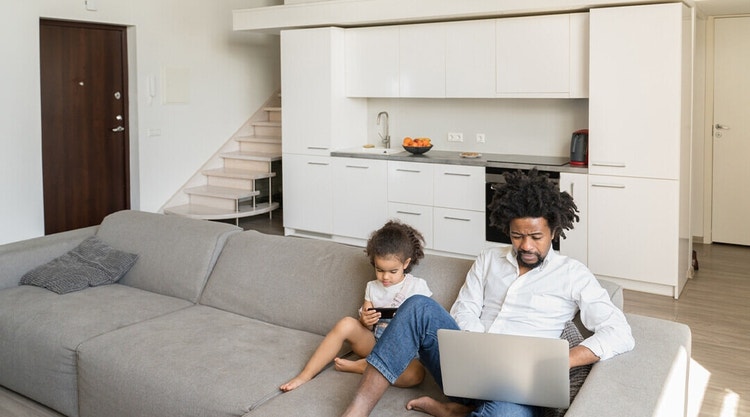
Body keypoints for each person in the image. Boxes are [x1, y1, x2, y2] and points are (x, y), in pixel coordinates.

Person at [341, 169, 635, 417]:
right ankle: (357, 410)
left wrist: (566, 360)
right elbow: (464, 309)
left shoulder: (573, 274)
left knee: (500, 414)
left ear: (553, 233)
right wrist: (480, 350)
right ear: (507, 230)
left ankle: (459, 411)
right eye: (518, 236)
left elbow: (620, 333)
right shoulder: (488, 260)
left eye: (536, 237)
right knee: (417, 306)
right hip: (467, 367)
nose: (527, 246)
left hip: (521, 387)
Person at [280, 220, 433, 392]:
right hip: (375, 344)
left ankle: (362, 367)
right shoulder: (372, 287)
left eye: (393, 271)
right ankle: (305, 375)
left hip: (403, 355)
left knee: (416, 374)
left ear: (406, 264)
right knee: (346, 323)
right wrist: (365, 320)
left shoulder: (417, 286)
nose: (385, 277)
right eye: (380, 270)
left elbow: (429, 323)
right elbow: (365, 325)